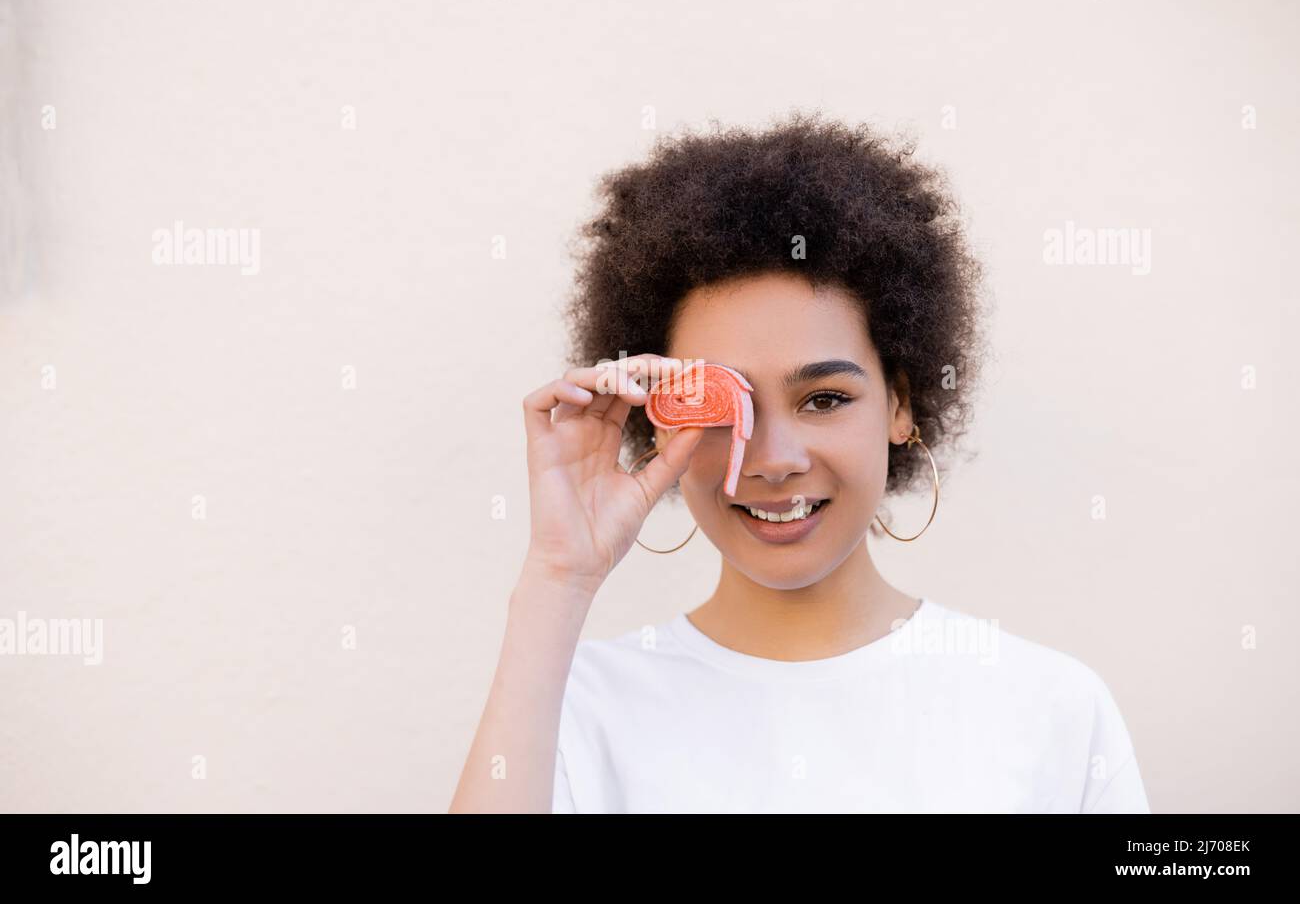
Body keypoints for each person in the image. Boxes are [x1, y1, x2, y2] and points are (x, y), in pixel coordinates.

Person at [449, 110, 1150, 813]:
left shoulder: (1053, 711)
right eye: (721, 408)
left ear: (901, 402)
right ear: (659, 424)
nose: (773, 459)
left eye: (823, 398)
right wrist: (557, 576)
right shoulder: (563, 716)